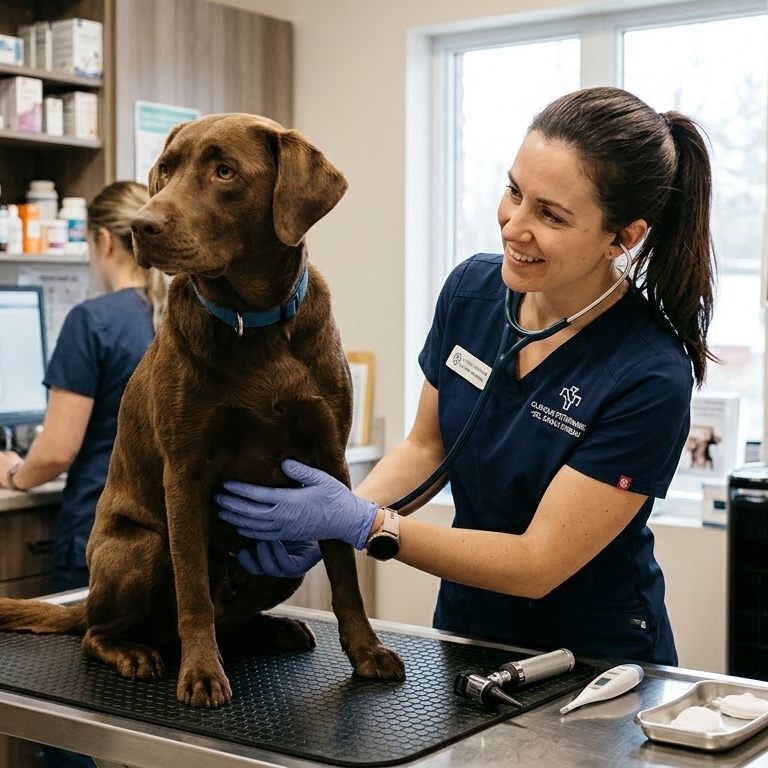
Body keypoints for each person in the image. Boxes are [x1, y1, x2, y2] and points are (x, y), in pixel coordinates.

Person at [214, 86, 716, 667]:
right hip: (466, 635)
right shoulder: (472, 292)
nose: (512, 226)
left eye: (549, 214)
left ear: (623, 237)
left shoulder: (648, 371)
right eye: (514, 191)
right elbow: (428, 445)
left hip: (593, 663)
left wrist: (364, 523)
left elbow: (537, 564)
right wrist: (326, 522)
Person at [0, 181, 168, 593]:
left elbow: (57, 451)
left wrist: (13, 474)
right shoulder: (180, 314)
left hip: (104, 536)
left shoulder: (92, 321)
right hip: (171, 535)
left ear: (103, 241)